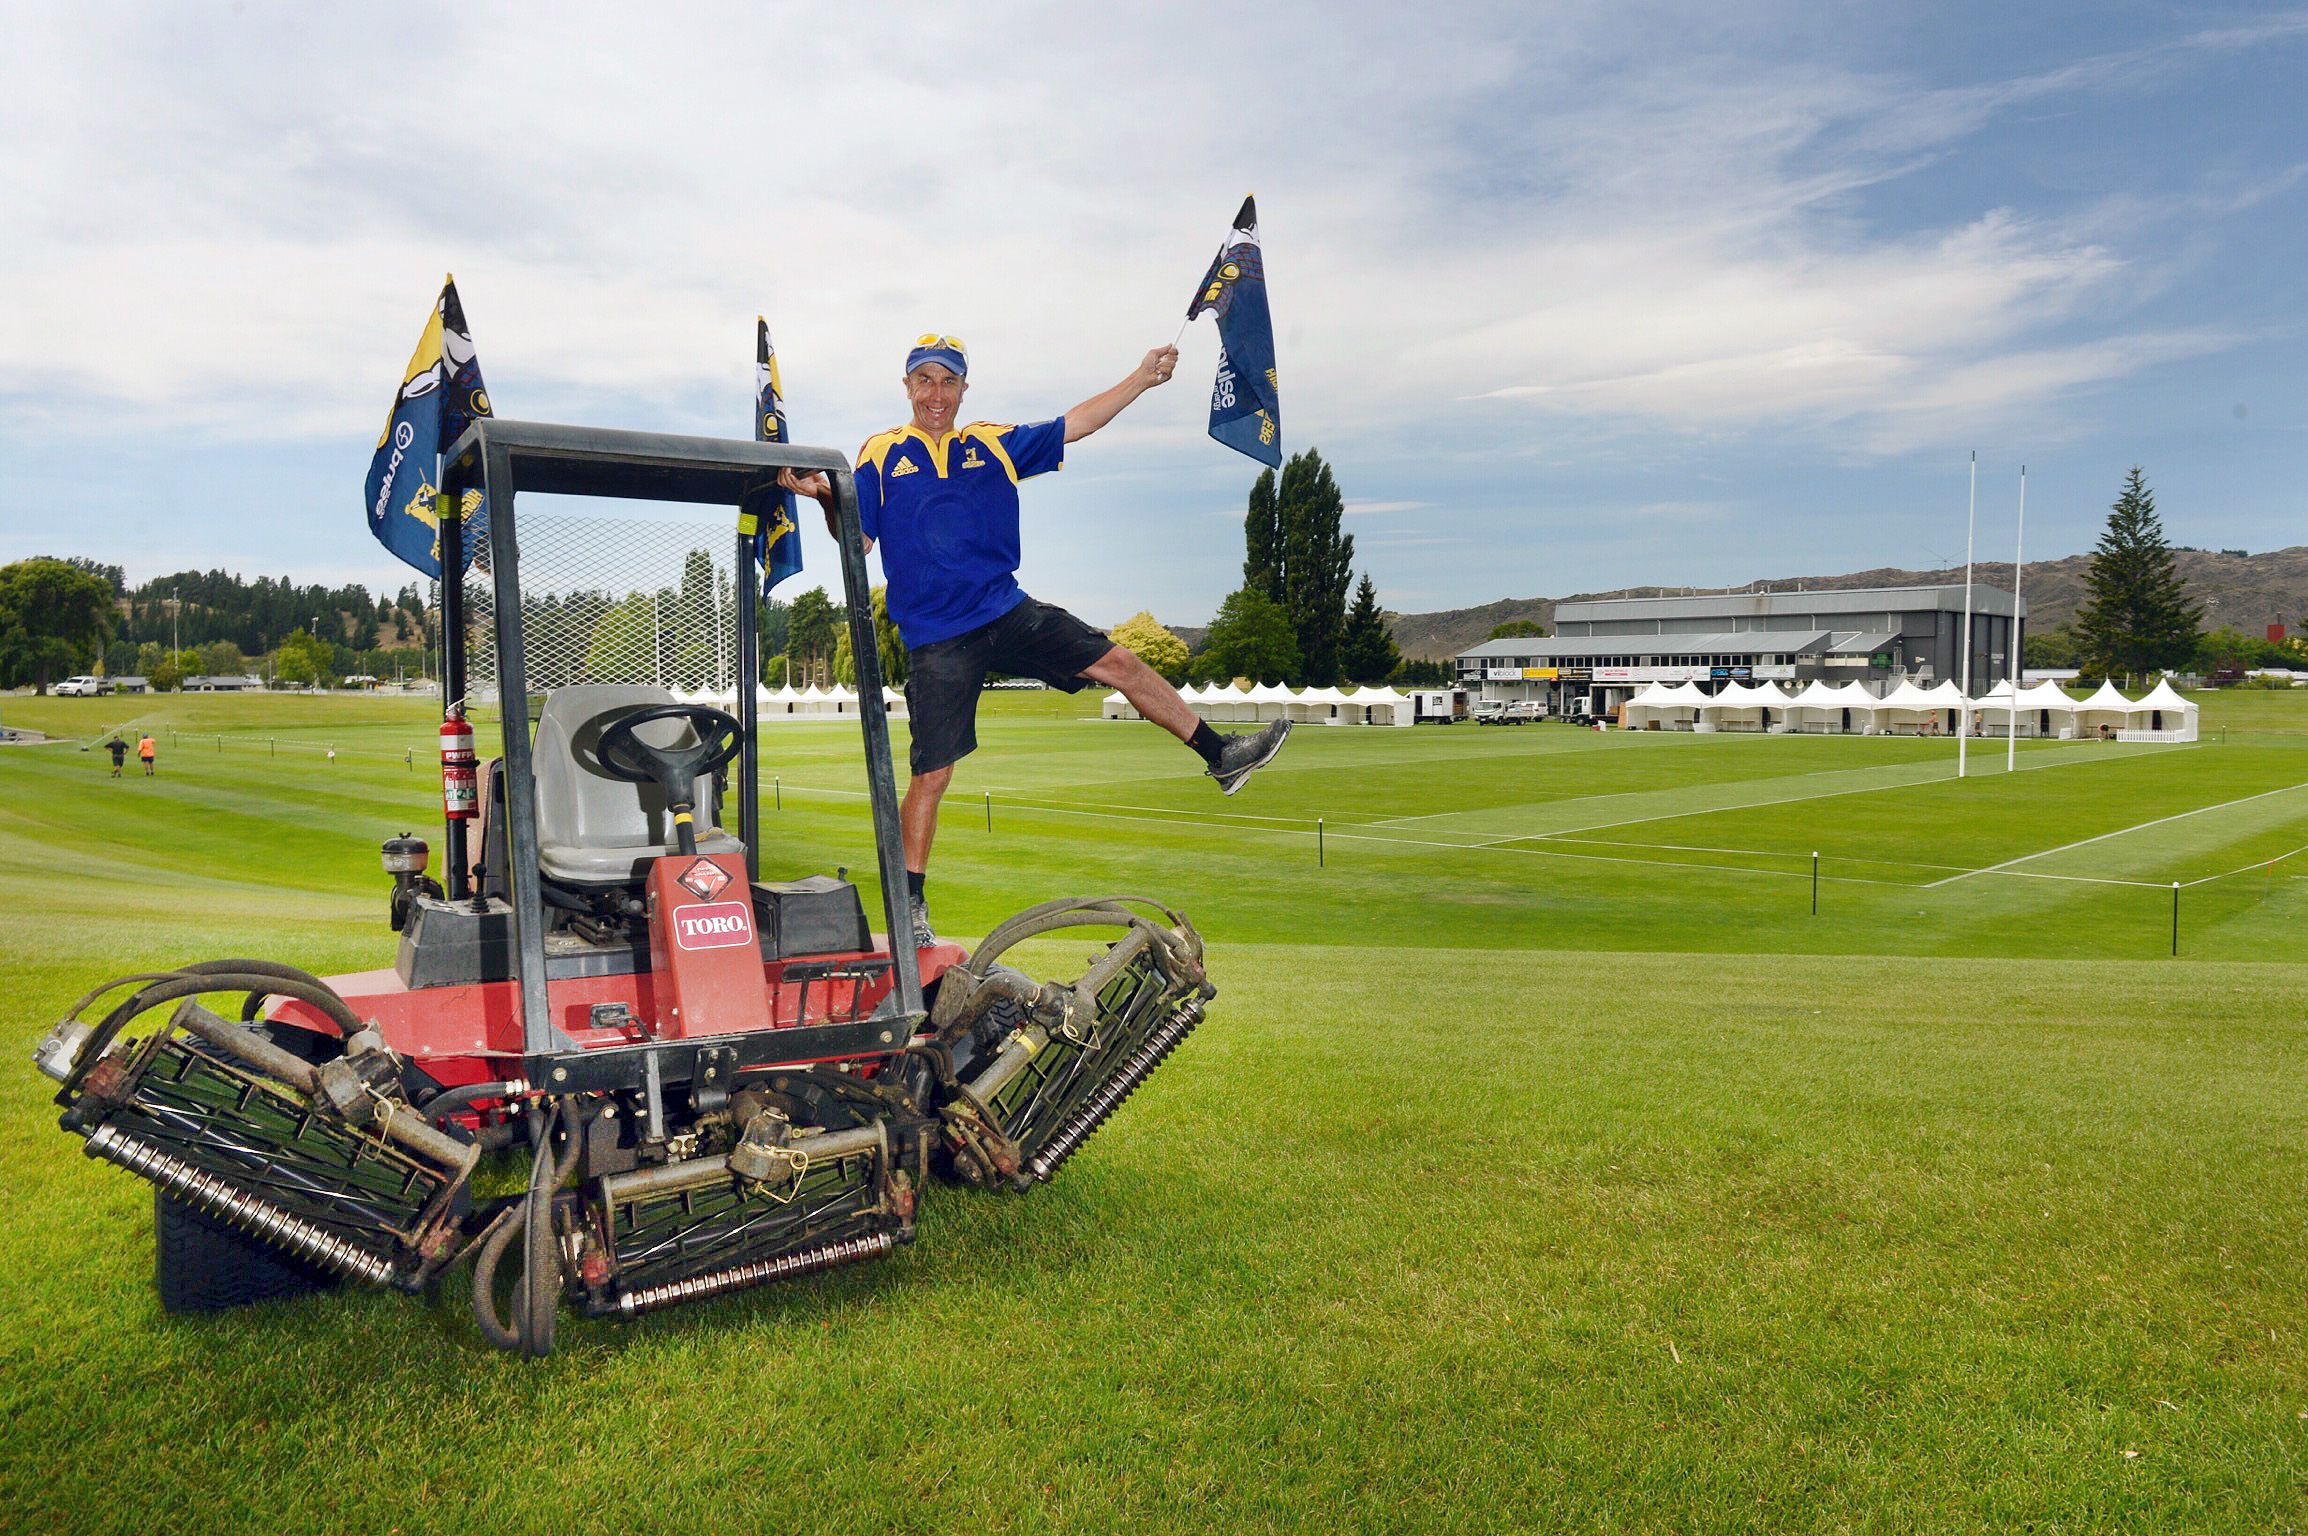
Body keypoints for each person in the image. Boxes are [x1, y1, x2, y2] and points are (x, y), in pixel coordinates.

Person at [780, 333, 1292, 947]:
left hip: (1006, 609)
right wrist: (822, 498)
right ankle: (910, 904)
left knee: (1121, 662)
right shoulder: (880, 455)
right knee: (933, 774)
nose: (936, 394)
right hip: (938, 636)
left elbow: (1074, 424)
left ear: (964, 388)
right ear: (908, 385)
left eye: (949, 381)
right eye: (925, 381)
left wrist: (1140, 377)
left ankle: (1220, 755)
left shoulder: (992, 443)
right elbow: (857, 540)